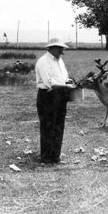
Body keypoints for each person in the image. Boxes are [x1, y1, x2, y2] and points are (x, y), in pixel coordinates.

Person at [35, 37, 77, 165]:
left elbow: (64, 77)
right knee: (48, 126)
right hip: (48, 96)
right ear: (51, 48)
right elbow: (49, 83)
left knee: (59, 126)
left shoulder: (60, 61)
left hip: (61, 95)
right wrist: (67, 87)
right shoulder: (43, 62)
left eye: (62, 48)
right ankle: (46, 158)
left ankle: (55, 156)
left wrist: (71, 82)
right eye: (59, 48)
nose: (62, 51)